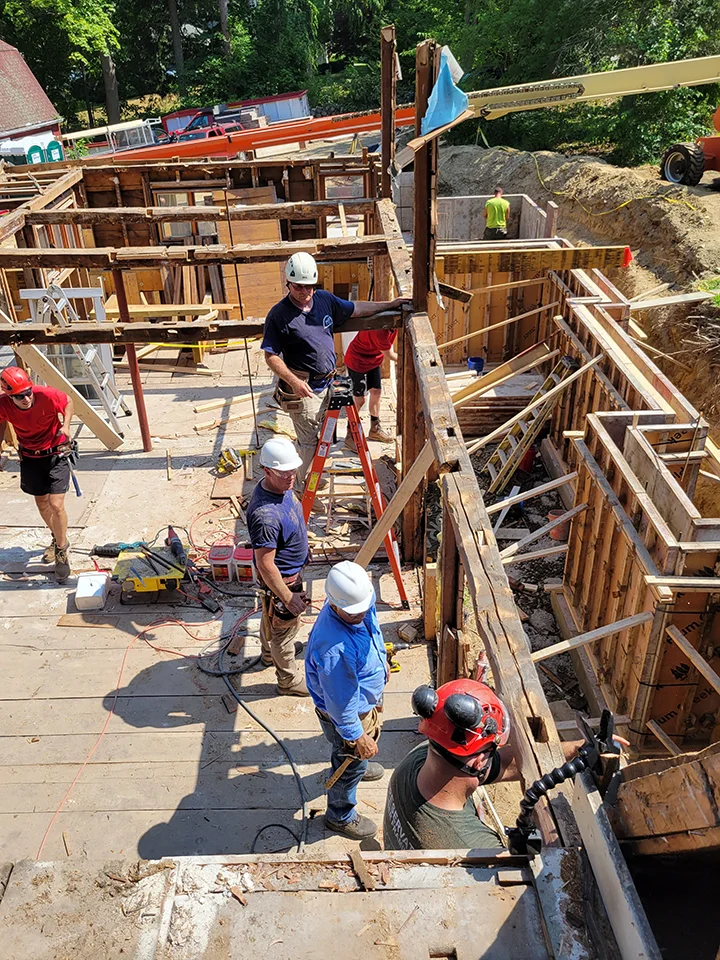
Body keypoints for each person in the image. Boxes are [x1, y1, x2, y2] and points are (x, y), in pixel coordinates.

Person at [262, 252, 409, 489]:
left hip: (330, 380)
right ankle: (302, 488)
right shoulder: (279, 315)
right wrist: (294, 381)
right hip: (304, 387)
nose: (305, 292)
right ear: (288, 283)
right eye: (298, 287)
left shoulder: (324, 300)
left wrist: (390, 304)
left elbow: (357, 308)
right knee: (309, 443)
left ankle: (318, 473)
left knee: (327, 436)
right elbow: (271, 356)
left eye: (309, 286)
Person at [305, 561, 388, 840]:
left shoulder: (358, 605)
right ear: (334, 603)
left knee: (355, 759)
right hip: (346, 715)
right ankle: (339, 815)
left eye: (364, 607)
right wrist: (357, 736)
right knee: (347, 760)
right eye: (355, 612)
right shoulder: (335, 649)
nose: (362, 614)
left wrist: (381, 673)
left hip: (361, 702)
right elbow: (340, 705)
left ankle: (359, 764)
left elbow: (373, 632)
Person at [246, 437, 310, 697]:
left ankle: (268, 654)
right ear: (267, 470)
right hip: (283, 580)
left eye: (293, 469)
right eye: (284, 472)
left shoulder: (280, 488)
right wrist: (288, 596)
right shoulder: (265, 516)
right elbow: (265, 564)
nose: (291, 476)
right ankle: (288, 681)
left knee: (269, 617)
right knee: (284, 630)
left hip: (286, 576)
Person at [0, 366, 74, 582]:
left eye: (28, 392)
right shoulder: (3, 405)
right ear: (9, 395)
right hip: (31, 457)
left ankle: (61, 551)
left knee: (56, 505)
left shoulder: (46, 395)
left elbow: (68, 401)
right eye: (20, 396)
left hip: (56, 452)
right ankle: (58, 537)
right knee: (42, 504)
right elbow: (2, 422)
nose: (26, 399)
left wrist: (66, 426)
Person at [342, 329, 398, 449]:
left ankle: (375, 429)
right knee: (360, 399)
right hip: (357, 360)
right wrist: (408, 357)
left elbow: (390, 346)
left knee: (376, 392)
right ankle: (350, 434)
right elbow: (390, 355)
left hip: (374, 360)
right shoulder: (380, 330)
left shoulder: (393, 325)